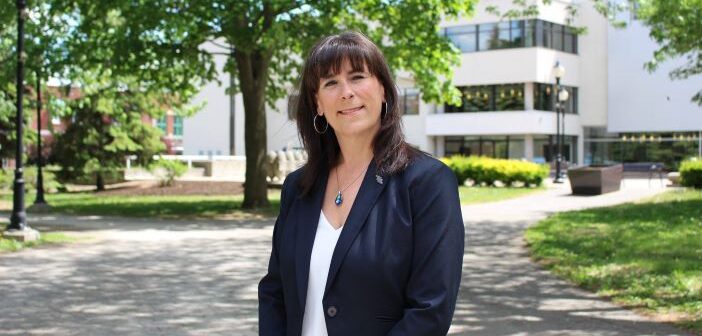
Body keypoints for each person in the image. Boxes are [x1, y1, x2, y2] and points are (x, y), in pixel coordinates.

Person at [259, 31, 464, 336]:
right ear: (317, 103)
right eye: (330, 83)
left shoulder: (428, 183)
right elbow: (275, 292)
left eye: (357, 77)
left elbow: (430, 310)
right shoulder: (298, 187)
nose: (346, 92)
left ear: (383, 89)